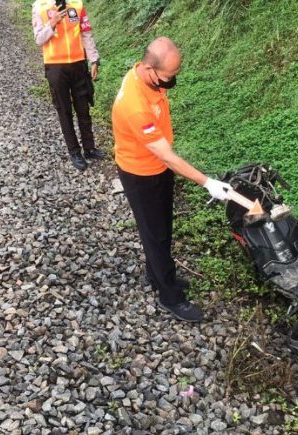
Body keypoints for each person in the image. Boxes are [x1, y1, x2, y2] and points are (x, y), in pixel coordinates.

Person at [112, 37, 232, 323]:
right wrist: (208, 182)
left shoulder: (144, 77)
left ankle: (155, 275)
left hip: (155, 167)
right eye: (169, 76)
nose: (173, 81)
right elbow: (167, 156)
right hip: (141, 174)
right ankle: (170, 296)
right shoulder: (135, 105)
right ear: (150, 69)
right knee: (155, 235)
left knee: (162, 228)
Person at [32, 0, 104, 171]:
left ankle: (89, 148)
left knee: (83, 109)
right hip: (56, 68)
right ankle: (74, 152)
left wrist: (94, 59)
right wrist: (52, 22)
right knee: (64, 111)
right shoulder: (39, 6)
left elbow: (86, 33)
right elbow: (38, 39)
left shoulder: (77, 4)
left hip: (78, 65)